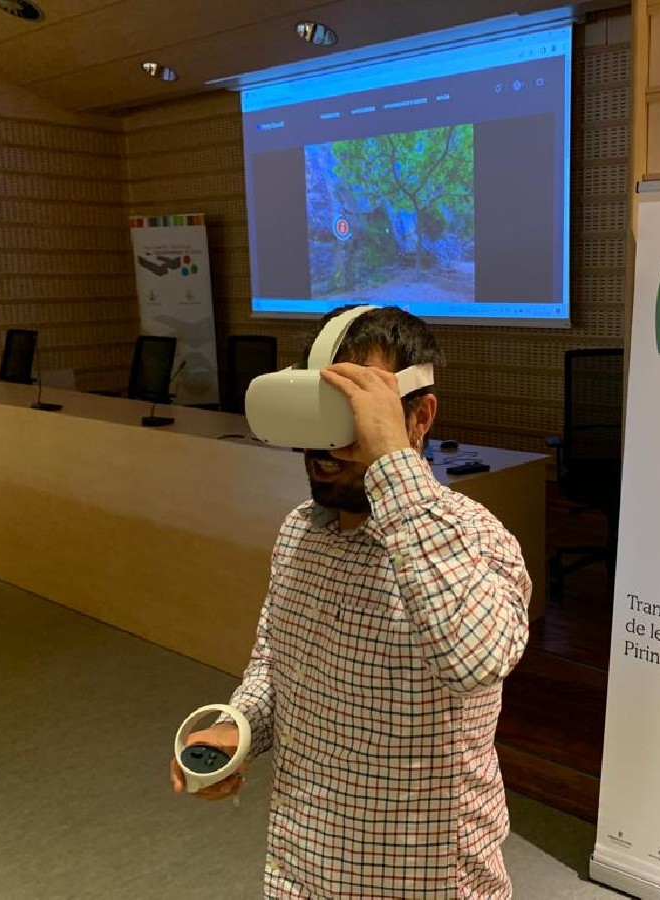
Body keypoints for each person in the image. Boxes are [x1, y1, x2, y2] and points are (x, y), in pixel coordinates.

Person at [170, 305, 532, 898]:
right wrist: (240, 728)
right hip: (301, 868)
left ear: (419, 419)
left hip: (426, 880)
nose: (327, 442)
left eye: (356, 412)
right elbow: (276, 665)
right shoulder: (301, 532)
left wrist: (392, 466)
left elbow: (475, 661)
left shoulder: (477, 539)